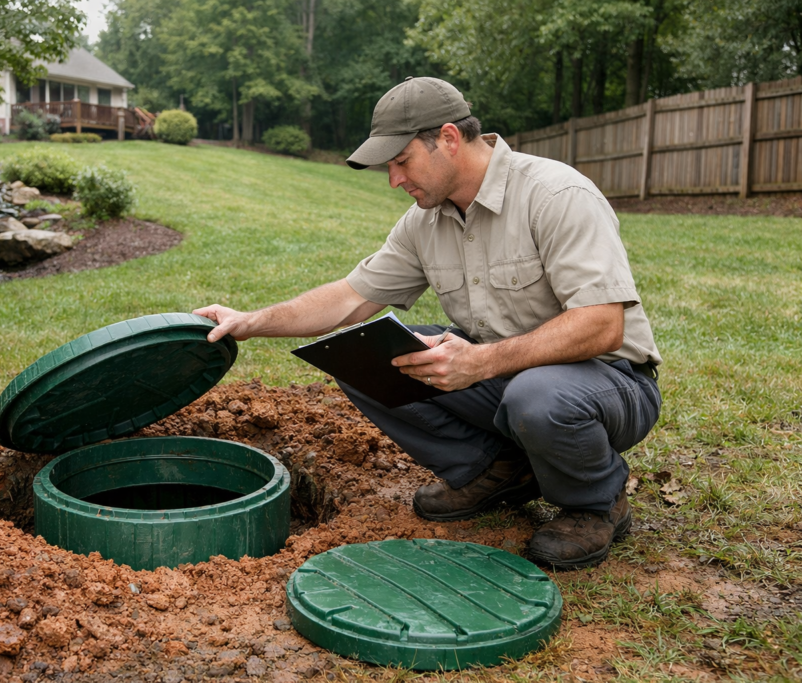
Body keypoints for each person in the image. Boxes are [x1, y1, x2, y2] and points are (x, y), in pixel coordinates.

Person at [194, 77, 661, 569]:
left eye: (401, 161)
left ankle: (595, 503)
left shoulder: (555, 194)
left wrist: (480, 361)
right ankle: (498, 471)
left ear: (449, 139)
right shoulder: (425, 221)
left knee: (537, 397)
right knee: (365, 353)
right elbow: (350, 299)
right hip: (504, 374)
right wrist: (252, 321)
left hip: (608, 383)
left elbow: (601, 326)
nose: (394, 179)